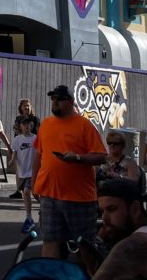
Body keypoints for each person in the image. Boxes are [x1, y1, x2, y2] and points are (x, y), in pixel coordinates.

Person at [32, 84, 107, 259]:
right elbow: (37, 155)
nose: (55, 102)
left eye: (60, 99)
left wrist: (78, 158)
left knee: (85, 244)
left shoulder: (84, 125)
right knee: (50, 241)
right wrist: (34, 183)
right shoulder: (46, 124)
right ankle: (52, 272)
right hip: (49, 194)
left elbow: (102, 156)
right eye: (53, 98)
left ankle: (89, 272)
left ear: (71, 102)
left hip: (79, 198)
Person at [10, 116, 37, 234]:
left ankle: (29, 218)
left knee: (26, 192)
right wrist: (12, 160)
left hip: (32, 171)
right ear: (20, 126)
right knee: (31, 194)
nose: (26, 126)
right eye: (24, 124)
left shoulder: (36, 138)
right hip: (22, 172)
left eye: (28, 124)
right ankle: (43, 208)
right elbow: (15, 152)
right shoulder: (17, 139)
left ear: (31, 125)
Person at [9, 99, 40, 199]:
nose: (26, 107)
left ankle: (32, 192)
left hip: (32, 147)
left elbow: (39, 132)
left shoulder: (35, 119)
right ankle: (19, 190)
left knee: (31, 172)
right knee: (20, 169)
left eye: (28, 105)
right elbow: (16, 130)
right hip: (21, 146)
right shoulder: (18, 119)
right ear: (21, 108)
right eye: (24, 105)